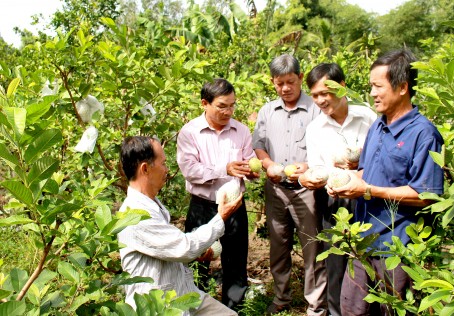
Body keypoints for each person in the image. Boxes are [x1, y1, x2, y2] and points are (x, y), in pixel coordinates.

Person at [328, 48, 444, 315]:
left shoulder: (424, 134)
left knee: (392, 310)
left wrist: (367, 190)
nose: (372, 93)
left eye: (378, 86)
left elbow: (426, 195)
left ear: (402, 87)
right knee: (352, 310)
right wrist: (345, 182)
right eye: (371, 86)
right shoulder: (378, 127)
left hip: (397, 249)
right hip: (362, 243)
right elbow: (365, 174)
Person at [117, 136, 242, 316]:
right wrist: (221, 217)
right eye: (163, 163)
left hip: (183, 294)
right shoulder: (134, 214)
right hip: (158, 306)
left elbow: (169, 248)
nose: (167, 170)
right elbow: (184, 248)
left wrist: (197, 254)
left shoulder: (152, 204)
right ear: (145, 169)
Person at [298, 63, 377, 316]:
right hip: (333, 202)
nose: (321, 100)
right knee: (336, 263)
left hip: (367, 198)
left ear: (342, 87)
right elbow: (317, 167)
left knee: (370, 260)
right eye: (315, 95)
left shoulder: (368, 117)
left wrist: (360, 163)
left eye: (326, 92)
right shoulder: (315, 129)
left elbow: (379, 158)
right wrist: (311, 177)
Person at [252, 54, 327, 316]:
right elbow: (259, 145)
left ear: (300, 77)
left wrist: (308, 167)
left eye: (290, 82)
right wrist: (267, 164)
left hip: (307, 190)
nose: (285, 88)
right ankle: (281, 297)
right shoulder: (267, 111)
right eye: (279, 83)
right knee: (278, 246)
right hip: (276, 190)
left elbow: (325, 148)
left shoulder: (316, 109)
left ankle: (316, 306)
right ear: (273, 82)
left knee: (312, 247)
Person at [176, 78, 258, 310]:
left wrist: (250, 169)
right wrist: (225, 169)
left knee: (235, 263)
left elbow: (248, 158)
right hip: (204, 207)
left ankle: (233, 310)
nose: (228, 111)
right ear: (205, 103)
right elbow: (190, 170)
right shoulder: (190, 132)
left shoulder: (240, 130)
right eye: (222, 106)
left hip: (233, 207)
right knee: (196, 263)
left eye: (232, 105)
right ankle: (194, 310)